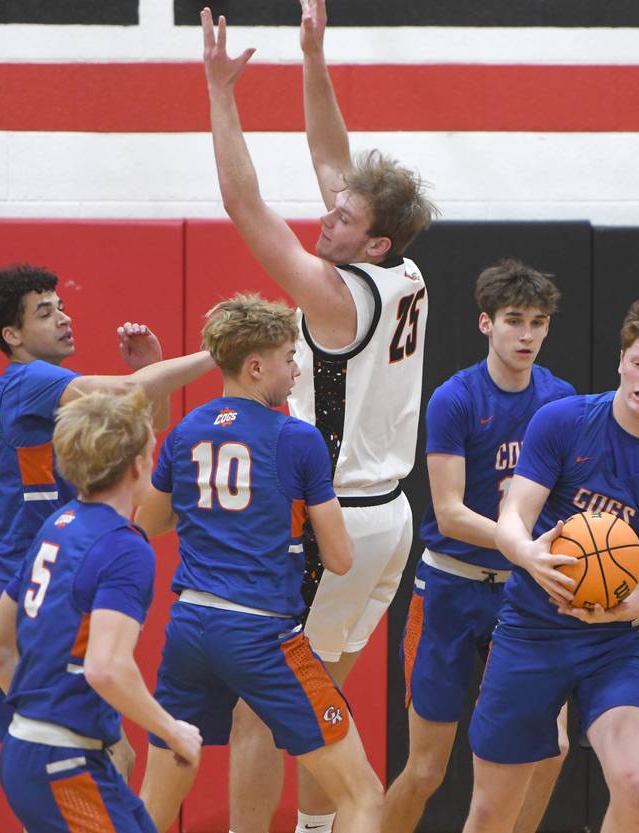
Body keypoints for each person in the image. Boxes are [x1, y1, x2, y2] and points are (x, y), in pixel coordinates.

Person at [199, 3, 438, 830]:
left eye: (343, 217)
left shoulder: (336, 295)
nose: (326, 212)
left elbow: (244, 205)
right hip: (389, 520)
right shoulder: (406, 274)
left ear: (372, 244)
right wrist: (313, 60)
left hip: (330, 520)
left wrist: (220, 94)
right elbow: (336, 163)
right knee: (317, 693)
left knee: (258, 707)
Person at [464, 293, 639, 833]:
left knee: (637, 782)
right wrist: (529, 554)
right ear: (621, 359)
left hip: (616, 641)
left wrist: (610, 611)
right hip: (531, 630)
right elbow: (513, 517)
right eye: (638, 362)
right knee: (490, 811)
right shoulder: (563, 421)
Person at [135, 294, 383, 833]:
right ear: (254, 367)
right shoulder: (296, 438)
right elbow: (340, 559)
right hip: (260, 632)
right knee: (364, 794)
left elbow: (149, 522)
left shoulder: (187, 430)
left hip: (190, 628)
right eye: (289, 358)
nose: (296, 370)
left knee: (153, 803)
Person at [0, 263, 214, 774]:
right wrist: (220, 352)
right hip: (21, 581)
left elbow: (144, 426)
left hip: (37, 575)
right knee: (72, 755)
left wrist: (154, 372)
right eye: (45, 313)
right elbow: (128, 392)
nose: (64, 318)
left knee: (94, 754)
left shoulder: (45, 389)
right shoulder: (30, 379)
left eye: (61, 307)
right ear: (12, 335)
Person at [382, 260, 575, 833]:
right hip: (450, 587)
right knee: (426, 770)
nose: (527, 334)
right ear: (486, 323)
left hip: (523, 594)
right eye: (514, 321)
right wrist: (523, 545)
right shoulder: (455, 398)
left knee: (551, 750)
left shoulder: (560, 400)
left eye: (538, 322)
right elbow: (449, 513)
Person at [0, 389, 202, 833]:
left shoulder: (56, 525)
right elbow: (106, 668)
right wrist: (173, 731)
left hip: (32, 749)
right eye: (151, 451)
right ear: (136, 465)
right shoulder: (124, 547)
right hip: (63, 762)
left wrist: (50, 719)